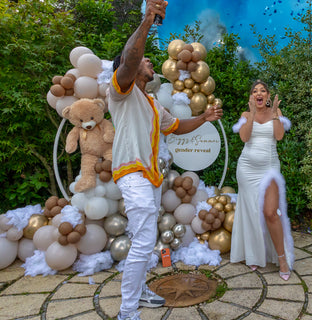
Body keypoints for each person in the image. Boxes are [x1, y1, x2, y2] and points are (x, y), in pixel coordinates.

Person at [107, 1, 223, 319]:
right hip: (133, 172)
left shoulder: (153, 103)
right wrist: (146, 21)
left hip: (153, 177)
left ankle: (139, 291)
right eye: (143, 59)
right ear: (127, 70)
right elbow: (130, 60)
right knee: (144, 240)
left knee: (143, 238)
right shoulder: (122, 92)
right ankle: (127, 311)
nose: (148, 61)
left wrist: (206, 117)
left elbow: (177, 126)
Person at [230, 79, 295, 281]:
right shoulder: (245, 115)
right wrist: (250, 115)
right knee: (250, 212)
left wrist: (275, 114)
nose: (259, 93)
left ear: (267, 96)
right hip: (247, 169)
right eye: (255, 91)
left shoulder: (277, 113)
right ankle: (254, 255)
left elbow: (279, 136)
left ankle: (282, 259)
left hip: (269, 170)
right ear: (252, 96)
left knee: (270, 213)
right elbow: (244, 138)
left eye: (263, 90)